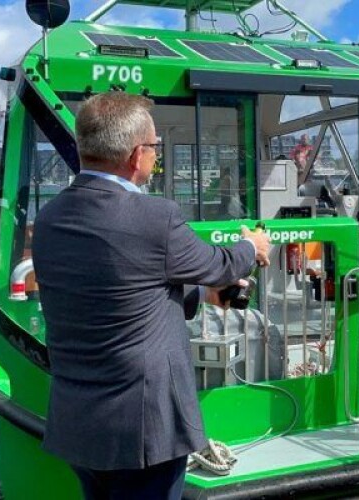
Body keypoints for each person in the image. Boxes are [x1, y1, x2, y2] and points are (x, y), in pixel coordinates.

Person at [31, 91, 271, 499]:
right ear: (136, 154)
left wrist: (201, 296)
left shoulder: (50, 217)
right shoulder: (154, 217)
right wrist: (253, 247)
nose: (156, 156)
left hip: (79, 423)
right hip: (143, 431)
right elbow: (221, 265)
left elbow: (117, 287)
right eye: (156, 147)